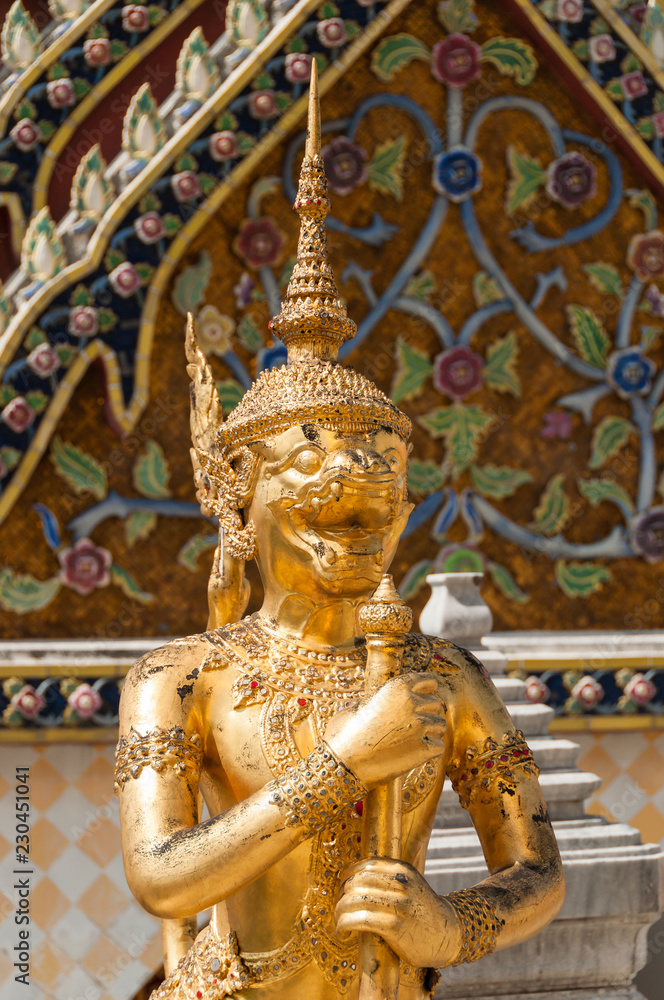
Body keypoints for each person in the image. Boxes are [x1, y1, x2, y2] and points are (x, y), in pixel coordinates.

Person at [116, 65, 564, 1000]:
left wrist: (450, 925)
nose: (354, 486)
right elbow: (162, 877)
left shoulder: (441, 678)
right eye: (313, 474)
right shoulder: (182, 677)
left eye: (378, 484)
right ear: (241, 499)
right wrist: (346, 763)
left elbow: (536, 872)